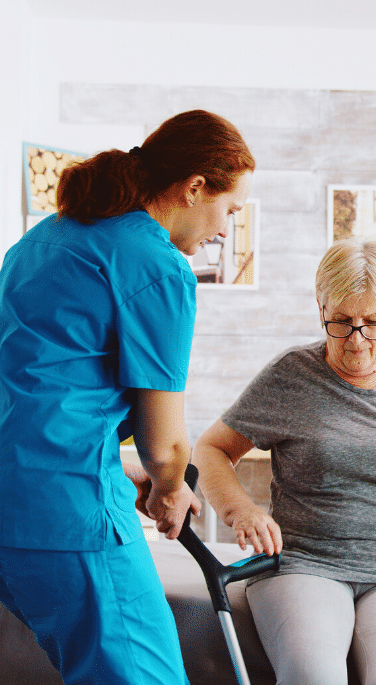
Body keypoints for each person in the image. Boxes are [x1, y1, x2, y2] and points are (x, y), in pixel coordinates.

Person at [0, 109, 255, 685]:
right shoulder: (156, 264)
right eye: (230, 210)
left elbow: (40, 391)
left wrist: (121, 468)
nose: (224, 230)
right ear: (195, 187)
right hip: (67, 516)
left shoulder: (42, 240)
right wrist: (169, 487)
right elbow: (166, 446)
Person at [193, 238, 376, 685]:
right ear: (320, 307)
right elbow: (210, 449)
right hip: (304, 562)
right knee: (313, 676)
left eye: (374, 323)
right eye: (342, 322)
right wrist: (240, 510)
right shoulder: (291, 374)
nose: (357, 339)